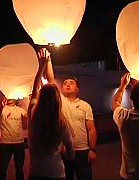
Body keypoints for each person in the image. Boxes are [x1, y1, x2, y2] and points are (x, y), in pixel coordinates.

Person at [44, 49, 96, 180]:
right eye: (65, 83)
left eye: (71, 83)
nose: (68, 85)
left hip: (82, 151)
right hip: (64, 151)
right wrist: (48, 60)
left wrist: (92, 149)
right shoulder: (60, 101)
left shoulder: (85, 106)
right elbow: (51, 79)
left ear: (77, 89)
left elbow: (91, 129)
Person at [28, 48, 74, 179]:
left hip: (36, 173)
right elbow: (71, 154)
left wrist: (42, 65)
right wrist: (62, 150)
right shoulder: (61, 123)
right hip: (56, 174)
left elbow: (35, 87)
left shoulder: (33, 116)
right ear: (57, 100)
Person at [0, 97, 28, 180]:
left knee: (19, 170)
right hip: (6, 143)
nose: (10, 98)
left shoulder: (20, 110)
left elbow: (29, 116)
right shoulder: (2, 108)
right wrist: (1, 106)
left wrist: (30, 102)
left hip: (19, 142)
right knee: (2, 169)